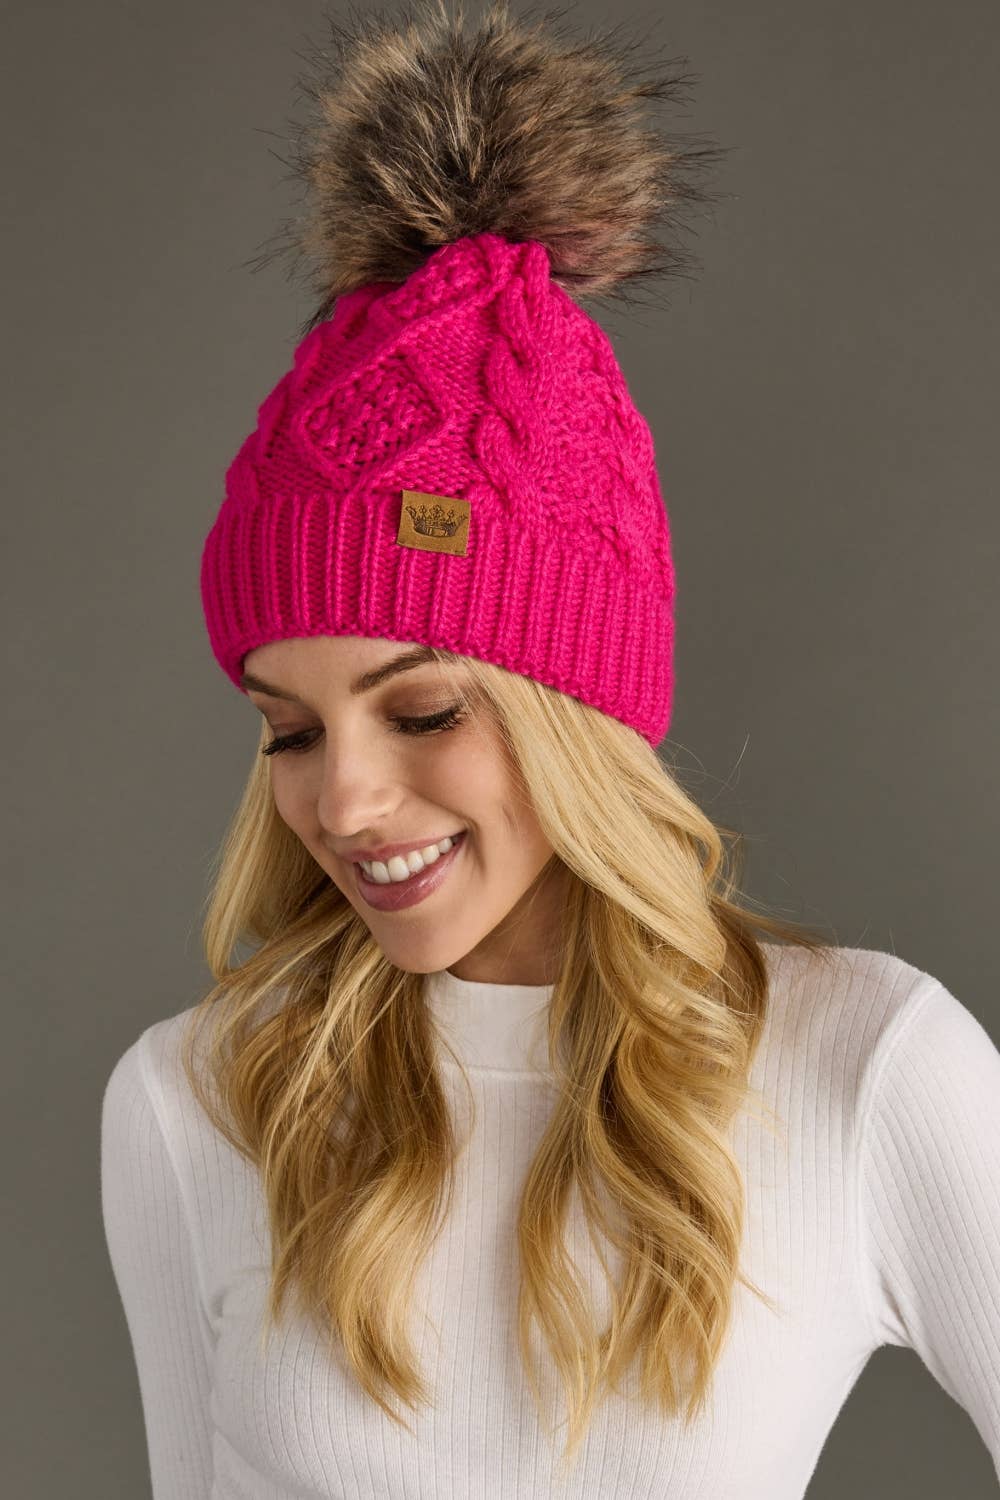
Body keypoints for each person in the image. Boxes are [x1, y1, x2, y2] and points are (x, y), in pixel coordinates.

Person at [100, 2, 1000, 1495]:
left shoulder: (868, 1068)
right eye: (289, 730)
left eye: (424, 710)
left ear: (578, 716)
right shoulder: (198, 1101)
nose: (344, 800)